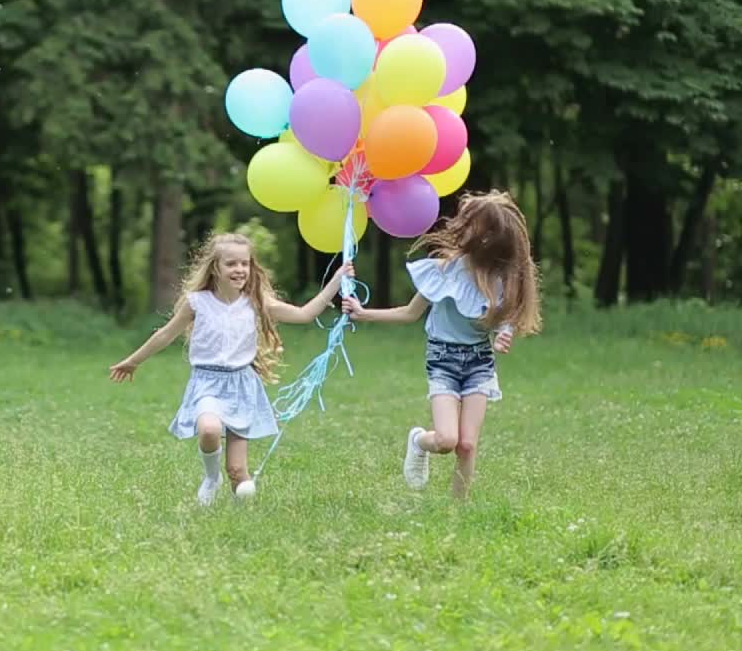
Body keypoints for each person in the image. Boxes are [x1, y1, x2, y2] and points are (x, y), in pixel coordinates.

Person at [110, 232, 353, 505]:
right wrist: (133, 361)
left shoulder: (256, 302)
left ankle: (241, 517)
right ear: (216, 267)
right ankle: (212, 478)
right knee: (210, 430)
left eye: (244, 264)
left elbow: (304, 314)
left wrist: (337, 280)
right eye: (231, 264)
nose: (239, 269)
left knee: (239, 473)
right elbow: (164, 335)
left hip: (242, 385)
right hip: (207, 382)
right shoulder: (197, 302)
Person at [342, 190, 542, 499]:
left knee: (467, 444)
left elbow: (504, 314)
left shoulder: (502, 276)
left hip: (479, 361)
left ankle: (457, 513)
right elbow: (410, 313)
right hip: (443, 360)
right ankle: (420, 441)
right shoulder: (445, 269)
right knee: (447, 440)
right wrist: (363, 314)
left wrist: (505, 332)